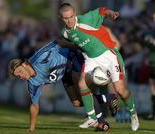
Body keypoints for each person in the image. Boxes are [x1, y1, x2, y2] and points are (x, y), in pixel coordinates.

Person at [59, 3, 139, 131]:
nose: (69, 20)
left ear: (74, 12)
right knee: (81, 84)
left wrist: (111, 13)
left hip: (108, 55)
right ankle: (92, 118)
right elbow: (70, 42)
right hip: (91, 59)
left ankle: (133, 113)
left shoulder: (85, 20)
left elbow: (101, 11)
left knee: (120, 90)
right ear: (61, 18)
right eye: (66, 18)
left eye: (71, 16)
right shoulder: (64, 33)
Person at [8, 40, 117, 131]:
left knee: (82, 87)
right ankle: (109, 98)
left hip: (71, 58)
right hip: (65, 74)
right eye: (18, 76)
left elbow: (57, 42)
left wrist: (76, 47)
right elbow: (34, 105)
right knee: (77, 103)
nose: (21, 76)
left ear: (24, 64)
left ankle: (101, 122)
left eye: (20, 72)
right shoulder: (32, 82)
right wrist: (31, 128)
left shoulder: (40, 57)